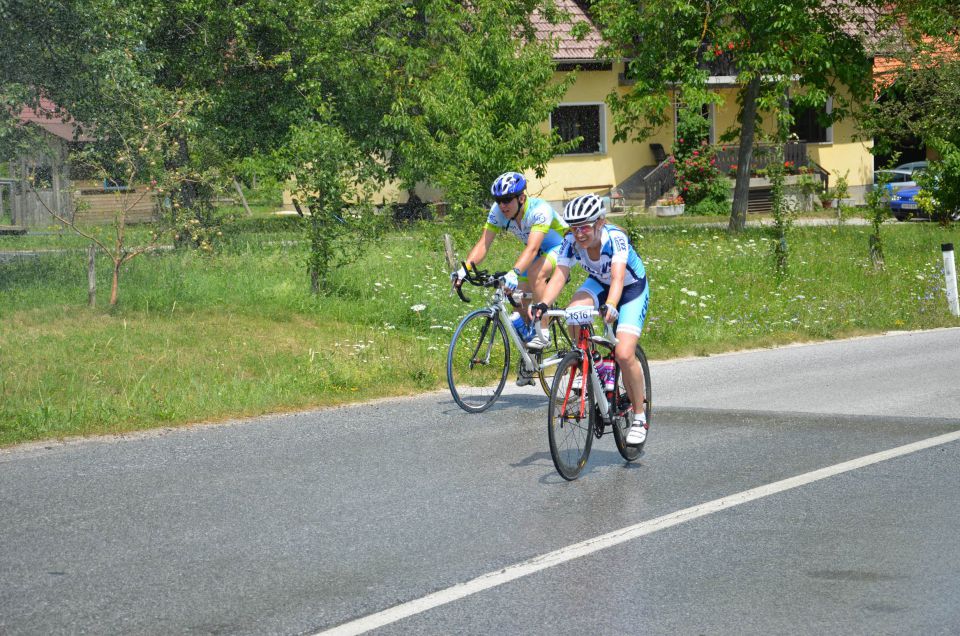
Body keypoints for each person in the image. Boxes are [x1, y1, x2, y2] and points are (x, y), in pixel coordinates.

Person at [530, 193, 650, 445]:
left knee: (625, 354)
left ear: (600, 222)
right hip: (598, 283)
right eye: (574, 228)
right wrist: (543, 304)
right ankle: (590, 361)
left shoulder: (615, 238)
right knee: (574, 310)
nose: (579, 233)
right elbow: (560, 275)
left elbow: (617, 279)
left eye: (584, 226)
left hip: (629, 289)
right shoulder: (570, 241)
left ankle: (639, 416)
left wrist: (612, 306)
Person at [452, 171, 569, 385]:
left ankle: (543, 332)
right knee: (518, 302)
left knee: (535, 273)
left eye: (507, 200)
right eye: (498, 200)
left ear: (521, 198)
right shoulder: (498, 212)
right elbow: (484, 243)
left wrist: (514, 272)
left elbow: (533, 248)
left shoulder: (539, 210)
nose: (502, 205)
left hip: (561, 247)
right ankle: (530, 359)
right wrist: (465, 269)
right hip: (538, 251)